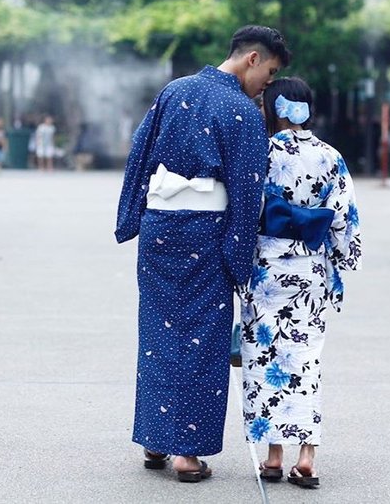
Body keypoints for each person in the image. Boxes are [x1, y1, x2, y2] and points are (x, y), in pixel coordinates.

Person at [115, 25, 291, 483]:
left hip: (159, 227)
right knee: (203, 338)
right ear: (253, 59)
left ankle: (156, 440)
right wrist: (240, 259)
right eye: (269, 73)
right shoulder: (242, 111)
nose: (267, 85)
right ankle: (187, 454)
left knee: (158, 331)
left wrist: (130, 216)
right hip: (206, 232)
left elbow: (140, 153)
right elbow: (247, 192)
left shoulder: (175, 91)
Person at [240, 77, 361, 489]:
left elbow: (245, 210)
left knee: (264, 358)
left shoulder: (260, 152)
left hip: (267, 269)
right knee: (305, 359)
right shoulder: (331, 155)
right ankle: (306, 455)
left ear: (271, 110)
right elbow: (344, 218)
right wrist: (341, 261)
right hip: (310, 269)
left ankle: (273, 456)